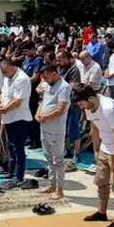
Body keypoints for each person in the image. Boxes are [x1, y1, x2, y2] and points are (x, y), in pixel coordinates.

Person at [73, 82, 114, 227]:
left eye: (82, 104)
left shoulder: (109, 109)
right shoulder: (90, 107)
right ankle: (102, 212)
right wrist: (96, 150)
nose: (81, 108)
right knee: (101, 182)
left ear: (91, 98)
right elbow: (94, 128)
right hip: (105, 148)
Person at [0, 58, 34, 189]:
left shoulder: (22, 79)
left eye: (5, 72)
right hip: (8, 117)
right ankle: (11, 172)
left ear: (12, 68)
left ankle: (19, 176)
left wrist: (4, 109)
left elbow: (18, 101)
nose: (4, 75)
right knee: (10, 146)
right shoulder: (8, 77)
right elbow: (3, 93)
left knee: (18, 148)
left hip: (19, 118)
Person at [35, 64, 71, 199]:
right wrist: (38, 114)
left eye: (46, 77)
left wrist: (45, 117)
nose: (44, 80)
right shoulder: (48, 85)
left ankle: (59, 189)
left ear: (54, 73)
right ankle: (51, 184)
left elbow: (60, 109)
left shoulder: (64, 87)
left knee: (58, 160)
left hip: (56, 128)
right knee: (48, 157)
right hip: (44, 126)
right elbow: (43, 102)